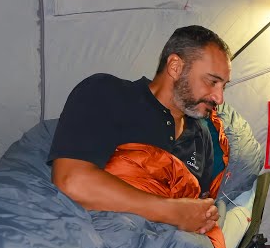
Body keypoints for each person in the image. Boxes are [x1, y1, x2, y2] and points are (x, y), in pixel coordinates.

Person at [48, 25, 232, 236]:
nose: (219, 98)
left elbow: (198, 208)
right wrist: (172, 212)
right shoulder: (107, 93)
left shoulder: (202, 135)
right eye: (212, 82)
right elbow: (72, 181)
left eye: (223, 86)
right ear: (175, 67)